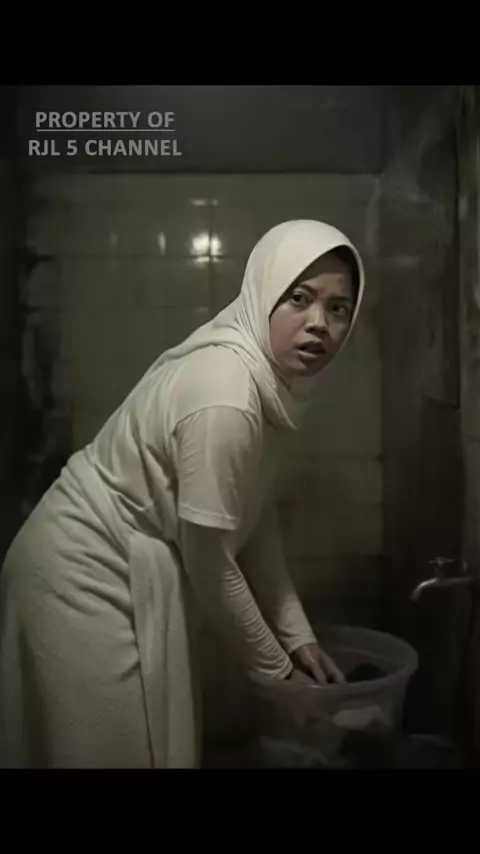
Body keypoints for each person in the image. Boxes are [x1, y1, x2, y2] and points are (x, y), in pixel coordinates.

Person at [0, 219, 364, 769]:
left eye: (338, 309)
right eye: (299, 298)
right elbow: (210, 562)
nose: (319, 323)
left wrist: (298, 638)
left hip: (117, 563)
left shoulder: (269, 385)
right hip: (80, 573)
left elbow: (252, 519)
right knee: (110, 751)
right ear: (263, 293)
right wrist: (278, 672)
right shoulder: (228, 395)